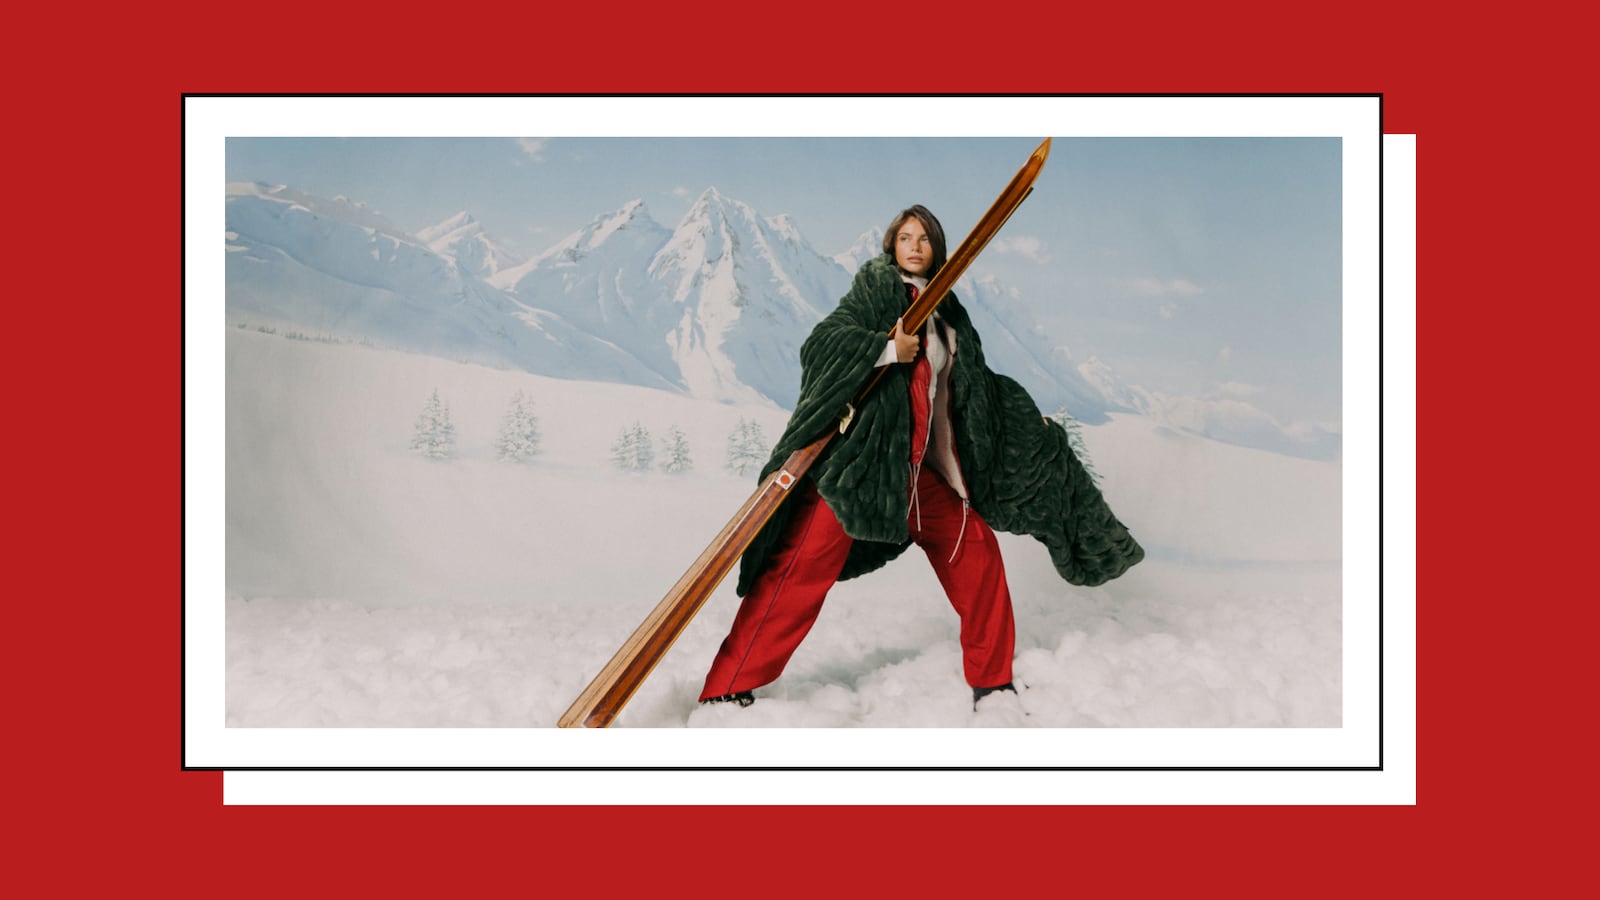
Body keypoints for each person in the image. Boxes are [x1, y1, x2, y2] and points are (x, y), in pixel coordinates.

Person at [699, 205, 1143, 710]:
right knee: (796, 575)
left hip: (917, 479)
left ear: (937, 249)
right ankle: (726, 688)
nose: (914, 246)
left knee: (978, 556)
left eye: (924, 239)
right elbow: (822, 345)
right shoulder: (873, 291)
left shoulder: (948, 312)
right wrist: (885, 348)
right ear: (891, 245)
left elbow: (978, 387)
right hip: (860, 471)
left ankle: (992, 683)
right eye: (905, 237)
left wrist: (1028, 421)